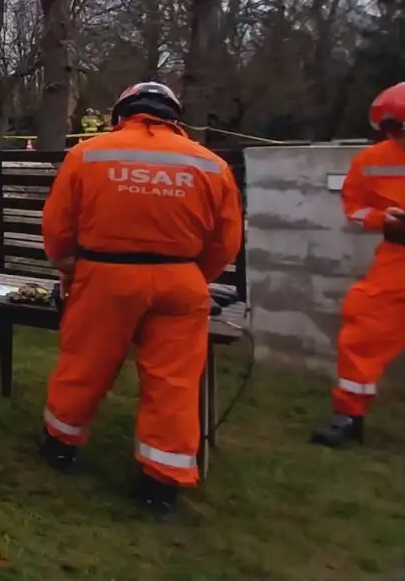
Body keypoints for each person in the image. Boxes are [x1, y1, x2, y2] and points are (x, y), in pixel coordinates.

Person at [38, 81, 243, 517]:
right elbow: (226, 242)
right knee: (173, 383)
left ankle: (60, 446)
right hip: (181, 282)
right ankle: (160, 484)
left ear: (121, 113)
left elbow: (57, 226)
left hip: (105, 276)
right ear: (174, 117)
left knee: (85, 365)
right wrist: (191, 275)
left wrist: (69, 268)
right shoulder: (210, 165)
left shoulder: (89, 155)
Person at [312, 81, 405, 447]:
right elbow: (355, 208)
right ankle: (349, 415)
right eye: (392, 129)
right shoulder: (372, 161)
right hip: (398, 256)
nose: (396, 135)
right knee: (365, 324)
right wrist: (384, 219)